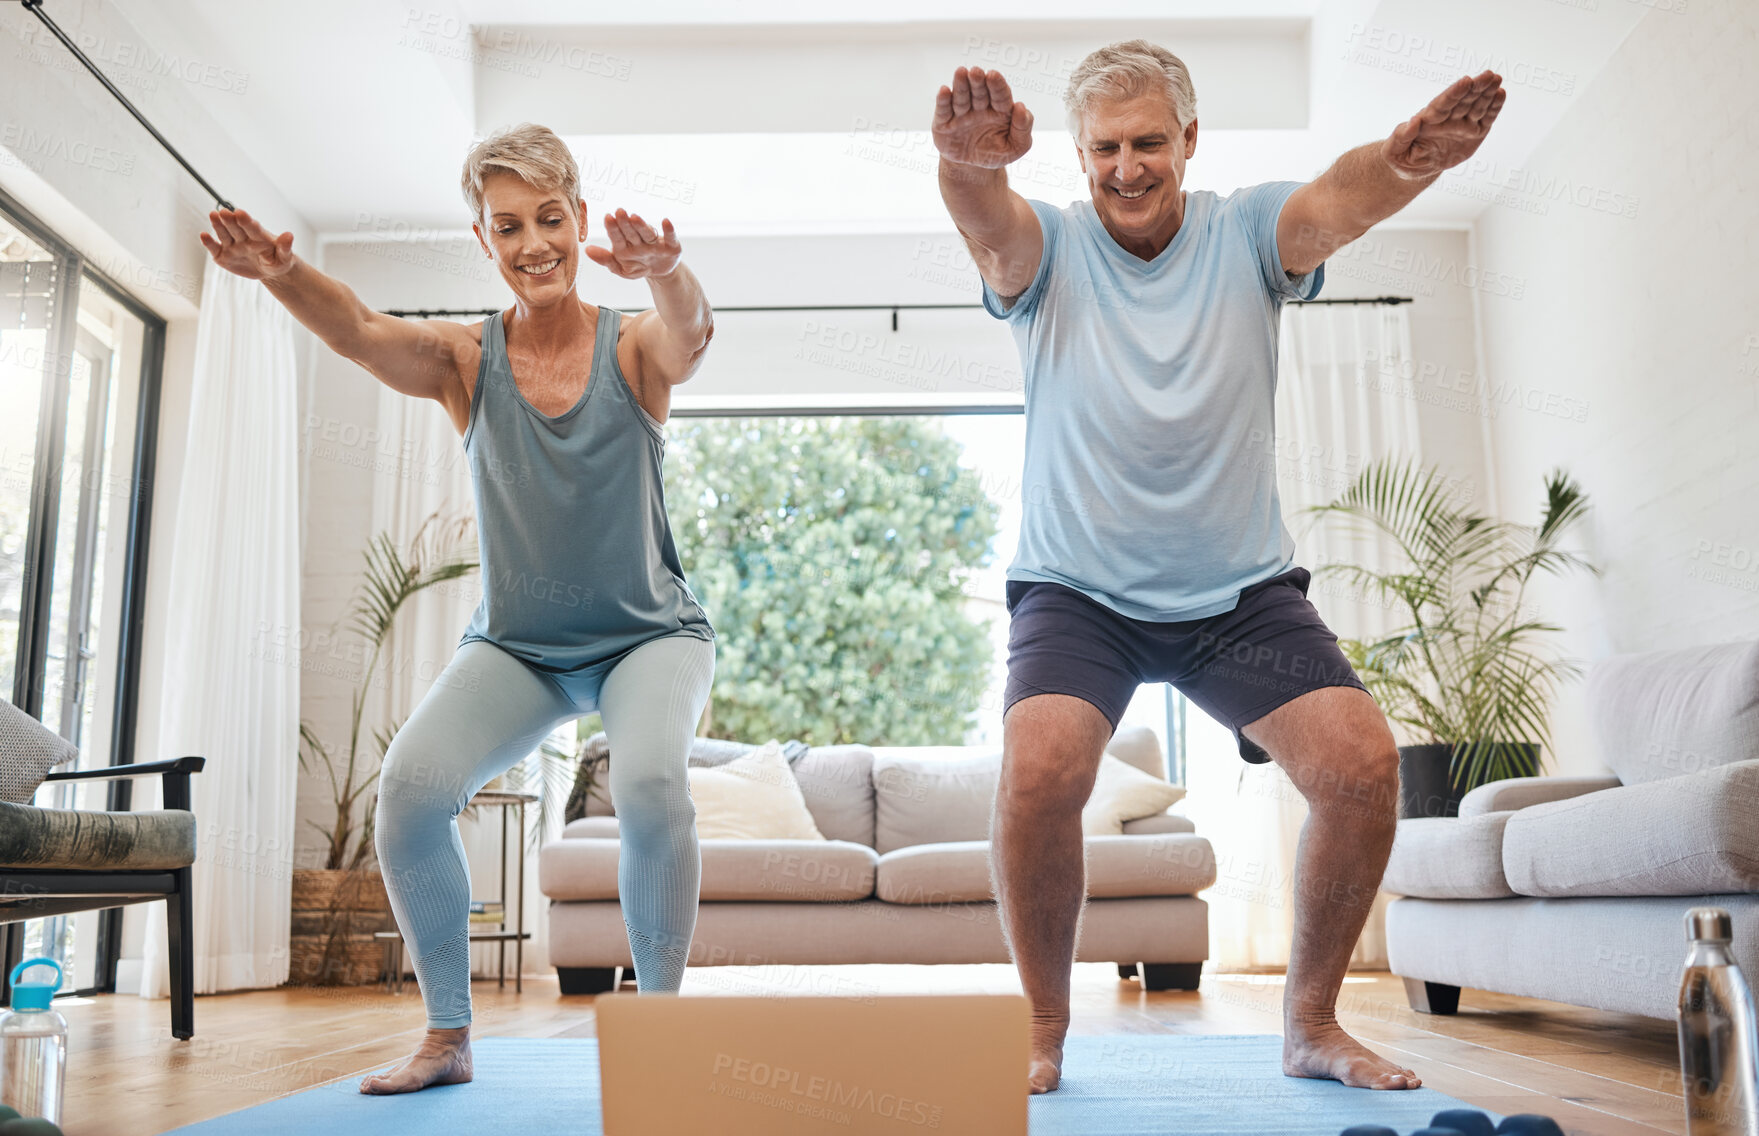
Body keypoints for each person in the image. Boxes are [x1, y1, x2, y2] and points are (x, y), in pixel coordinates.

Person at [931, 41, 1504, 1093]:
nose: (1128, 165)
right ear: (1078, 151)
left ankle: (1312, 1024)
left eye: (1149, 140)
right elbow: (988, 229)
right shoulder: (1048, 249)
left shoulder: (1247, 230)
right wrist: (969, 166)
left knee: (1361, 766)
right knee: (1038, 768)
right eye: (1105, 146)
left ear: (1189, 140)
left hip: (1238, 594)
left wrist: (1408, 162)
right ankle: (1042, 1025)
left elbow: (1338, 201)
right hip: (1079, 589)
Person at [200, 122, 718, 1094]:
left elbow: (688, 336)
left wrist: (669, 272)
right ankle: (447, 1036)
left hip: (649, 636)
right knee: (409, 791)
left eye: (550, 218)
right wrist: (279, 273)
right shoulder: (463, 360)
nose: (534, 243)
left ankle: (661, 1032)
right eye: (508, 225)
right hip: (519, 647)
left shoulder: (633, 346)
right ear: (483, 241)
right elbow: (357, 328)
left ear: (581, 219)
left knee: (650, 785)